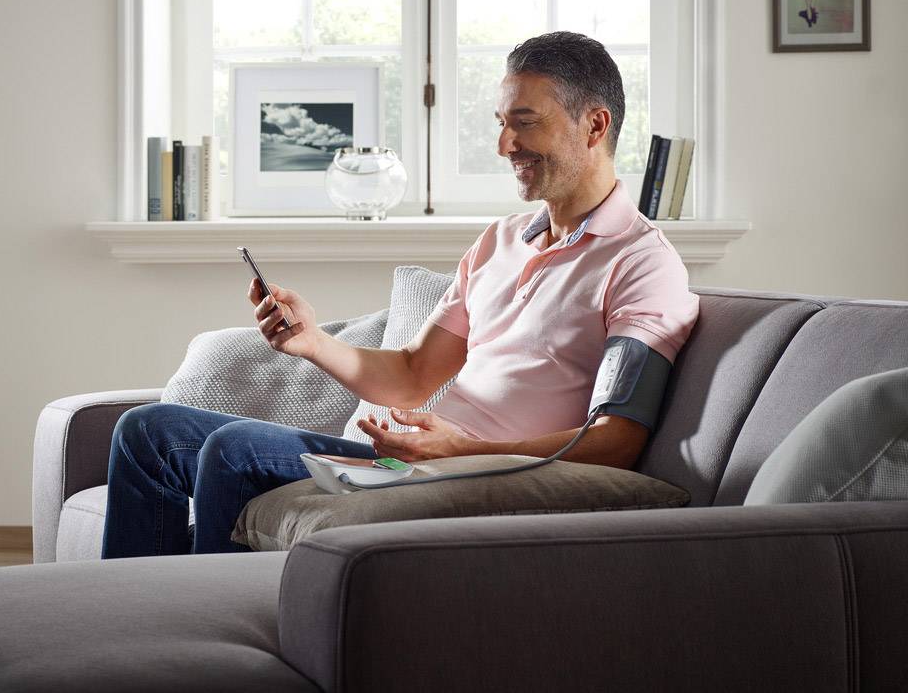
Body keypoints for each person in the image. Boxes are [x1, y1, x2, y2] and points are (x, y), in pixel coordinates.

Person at [100, 31, 700, 559]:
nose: (505, 146)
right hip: (408, 462)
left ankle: (214, 643)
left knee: (234, 450)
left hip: (463, 471)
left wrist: (466, 450)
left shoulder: (641, 263)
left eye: (525, 122)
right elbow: (414, 372)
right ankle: (133, 636)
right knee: (146, 432)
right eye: (501, 123)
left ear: (594, 124)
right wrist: (311, 343)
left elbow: (617, 440)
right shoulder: (500, 240)